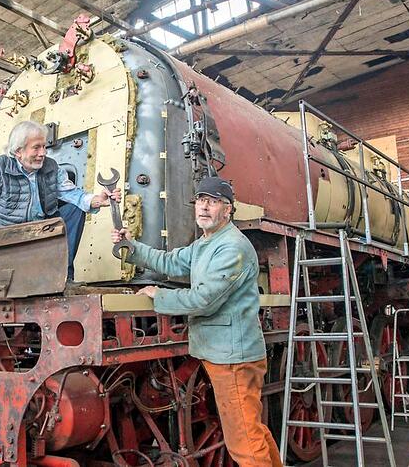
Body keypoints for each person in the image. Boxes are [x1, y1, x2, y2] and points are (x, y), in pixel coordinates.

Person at [111, 176, 282, 467]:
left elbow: (204, 300)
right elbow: (171, 262)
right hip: (223, 353)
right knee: (253, 433)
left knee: (243, 443)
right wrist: (132, 246)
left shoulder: (231, 248)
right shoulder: (207, 243)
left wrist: (159, 296)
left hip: (233, 358)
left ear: (228, 210)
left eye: (213, 202)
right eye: (201, 200)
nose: (204, 207)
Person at [0, 120, 119, 279]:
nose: (43, 153)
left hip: (39, 233)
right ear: (18, 151)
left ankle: (63, 274)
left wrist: (98, 200)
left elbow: (75, 195)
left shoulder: (51, 168)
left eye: (44, 147)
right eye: (36, 148)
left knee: (75, 208)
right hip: (6, 238)